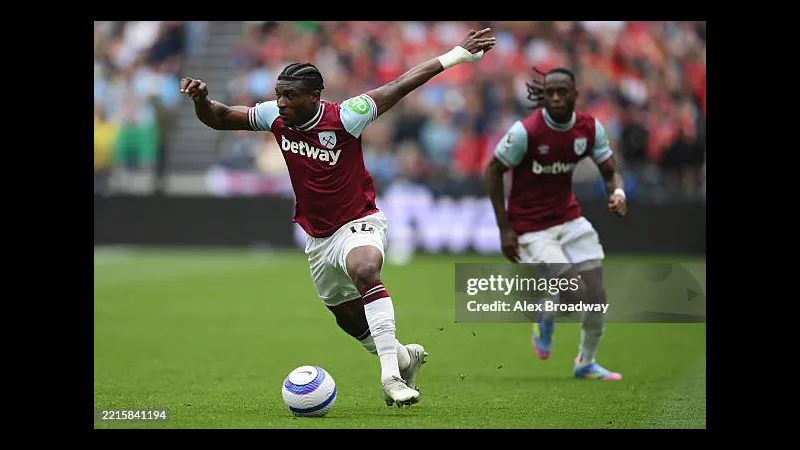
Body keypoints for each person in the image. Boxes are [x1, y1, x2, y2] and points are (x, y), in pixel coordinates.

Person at [180, 28, 497, 406]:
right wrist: (202, 100)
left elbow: (400, 83)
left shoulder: (348, 115)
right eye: (278, 94)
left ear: (314, 97)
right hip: (318, 237)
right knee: (348, 320)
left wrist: (456, 55)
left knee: (365, 270)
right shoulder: (273, 117)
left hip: (359, 221)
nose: (280, 102)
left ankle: (391, 378)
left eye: (289, 96)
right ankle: (405, 358)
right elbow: (218, 118)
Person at [484, 67, 625, 381]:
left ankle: (585, 362)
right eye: (551, 93)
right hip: (531, 228)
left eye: (563, 92)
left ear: (576, 95)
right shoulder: (527, 131)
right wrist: (504, 229)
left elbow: (609, 170)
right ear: (542, 96)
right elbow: (492, 171)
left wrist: (616, 192)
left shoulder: (589, 128)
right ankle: (545, 318)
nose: (557, 97)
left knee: (597, 297)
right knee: (575, 292)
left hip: (569, 219)